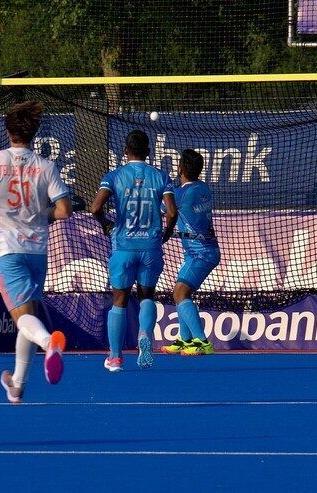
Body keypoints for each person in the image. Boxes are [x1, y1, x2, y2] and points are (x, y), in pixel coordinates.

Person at [0, 100, 75, 403]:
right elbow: (64, 210)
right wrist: (41, 216)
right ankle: (17, 385)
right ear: (33, 132)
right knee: (28, 314)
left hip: (6, 250)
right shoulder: (46, 166)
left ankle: (49, 341)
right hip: (37, 249)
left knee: (24, 318)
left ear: (7, 130)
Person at [90, 130, 178, 372]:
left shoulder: (114, 176)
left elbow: (96, 206)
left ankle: (116, 357)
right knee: (147, 295)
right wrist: (166, 234)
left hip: (124, 246)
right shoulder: (161, 176)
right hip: (150, 247)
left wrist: (107, 224)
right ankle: (145, 336)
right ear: (148, 153)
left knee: (119, 298)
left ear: (125, 151)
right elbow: (171, 212)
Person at [161, 150, 220, 356]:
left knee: (180, 293)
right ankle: (184, 339)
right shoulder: (203, 188)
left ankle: (202, 342)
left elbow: (163, 209)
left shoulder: (180, 194)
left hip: (202, 253)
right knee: (179, 292)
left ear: (181, 168)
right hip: (197, 252)